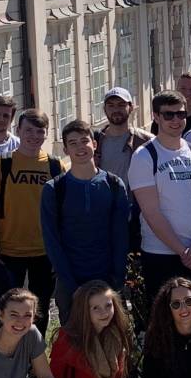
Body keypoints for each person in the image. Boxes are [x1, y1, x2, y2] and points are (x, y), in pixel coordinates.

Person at [130, 90, 191, 309]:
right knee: (164, 323)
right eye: (168, 115)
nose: (176, 120)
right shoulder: (144, 156)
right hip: (161, 255)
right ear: (156, 117)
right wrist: (182, 251)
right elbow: (151, 212)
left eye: (180, 114)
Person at [41, 119, 132, 325]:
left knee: (111, 345)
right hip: (70, 281)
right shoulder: (54, 189)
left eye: (84, 141)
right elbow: (52, 242)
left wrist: (116, 281)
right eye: (73, 143)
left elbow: (120, 237)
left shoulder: (114, 184)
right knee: (75, 348)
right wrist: (72, 286)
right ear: (65, 149)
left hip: (107, 278)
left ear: (95, 144)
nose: (80, 147)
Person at [0, 110, 62, 326]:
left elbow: (62, 211)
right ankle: (11, 354)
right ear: (18, 131)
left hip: (45, 251)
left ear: (46, 134)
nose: (34, 136)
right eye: (28, 130)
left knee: (40, 309)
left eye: (39, 131)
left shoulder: (55, 166)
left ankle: (36, 354)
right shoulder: (0, 165)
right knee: (10, 310)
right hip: (9, 251)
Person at [94, 87, 151, 185]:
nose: (116, 110)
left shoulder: (145, 141)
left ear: (131, 107)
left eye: (121, 105)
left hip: (134, 199)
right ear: (105, 109)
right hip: (103, 199)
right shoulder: (94, 141)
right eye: (111, 106)